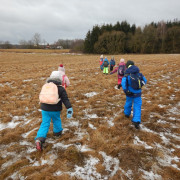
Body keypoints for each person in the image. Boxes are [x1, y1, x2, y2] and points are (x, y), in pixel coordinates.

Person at [35, 72, 73, 151]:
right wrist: (69, 108)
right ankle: (57, 133)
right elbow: (65, 99)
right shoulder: (61, 88)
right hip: (55, 109)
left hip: (44, 109)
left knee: (45, 123)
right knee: (56, 121)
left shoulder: (46, 86)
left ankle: (39, 139)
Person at [121, 60, 147, 129]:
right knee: (137, 106)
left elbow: (123, 84)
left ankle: (127, 114)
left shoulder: (127, 74)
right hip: (138, 94)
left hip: (129, 93)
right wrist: (140, 85)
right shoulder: (139, 73)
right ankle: (136, 121)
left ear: (127, 66)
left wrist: (126, 91)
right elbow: (145, 80)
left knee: (128, 103)